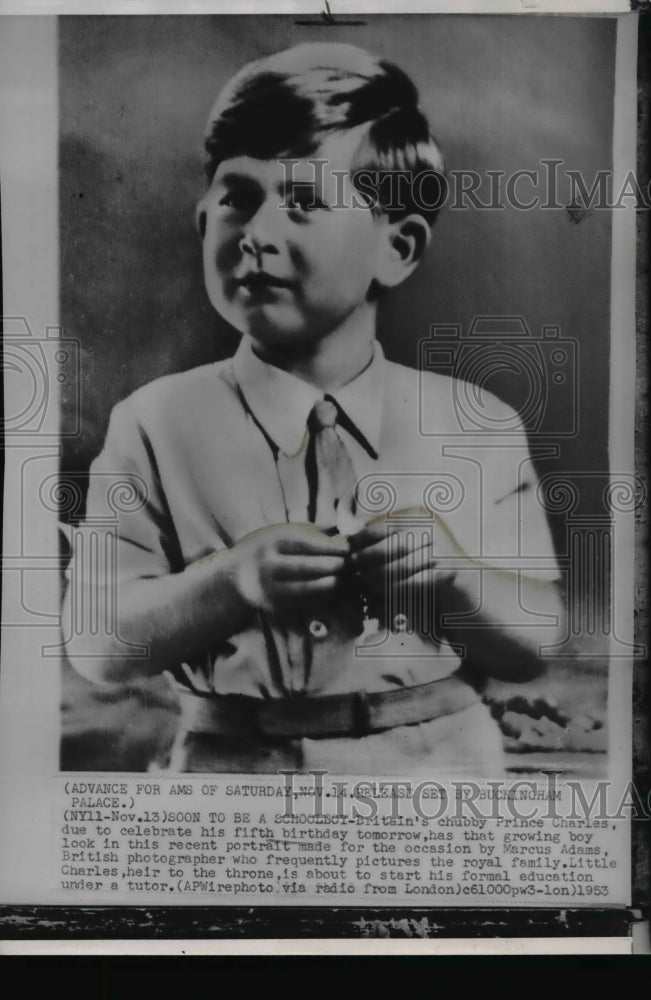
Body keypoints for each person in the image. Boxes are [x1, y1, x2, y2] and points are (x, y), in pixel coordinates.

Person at [64, 42, 564, 775]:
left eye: (302, 201)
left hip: (435, 767)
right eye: (237, 197)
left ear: (396, 247)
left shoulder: (474, 424)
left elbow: (535, 641)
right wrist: (228, 582)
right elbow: (98, 648)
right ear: (203, 221)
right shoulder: (154, 423)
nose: (257, 232)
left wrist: (453, 577)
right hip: (232, 770)